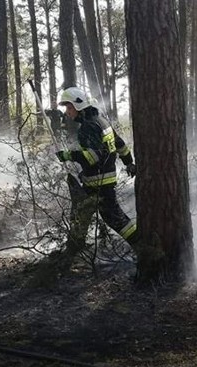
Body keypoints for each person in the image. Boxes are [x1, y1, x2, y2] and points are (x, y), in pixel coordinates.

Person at [54, 86, 138, 256]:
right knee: (82, 214)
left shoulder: (88, 127)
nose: (67, 112)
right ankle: (74, 250)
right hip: (98, 181)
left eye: (69, 107)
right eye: (66, 108)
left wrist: (68, 155)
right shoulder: (101, 121)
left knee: (114, 218)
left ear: (78, 106)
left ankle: (140, 244)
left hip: (99, 183)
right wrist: (129, 162)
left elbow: (93, 157)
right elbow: (120, 143)